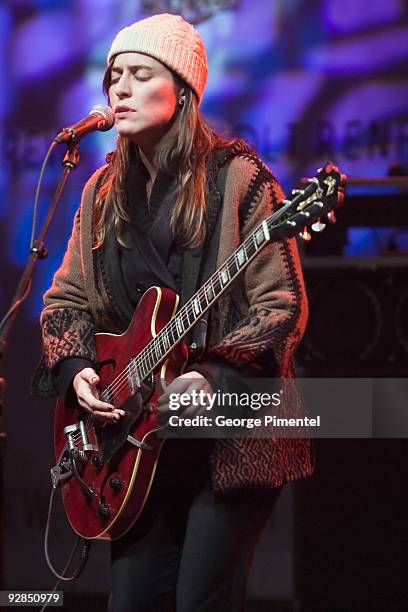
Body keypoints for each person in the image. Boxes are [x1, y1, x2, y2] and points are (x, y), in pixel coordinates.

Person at [32, 13, 314, 612]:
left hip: (230, 435)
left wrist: (208, 375)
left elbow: (280, 308)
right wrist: (77, 366)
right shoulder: (101, 191)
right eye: (114, 77)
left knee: (200, 601)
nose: (120, 90)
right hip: (135, 440)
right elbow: (66, 299)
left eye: (139, 74)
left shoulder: (240, 180)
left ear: (182, 90)